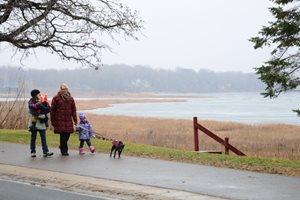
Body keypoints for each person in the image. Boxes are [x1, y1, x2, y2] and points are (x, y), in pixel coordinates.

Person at [50, 83, 77, 156]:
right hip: (59, 120)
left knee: (68, 134)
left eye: (65, 89)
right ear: (60, 90)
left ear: (67, 89)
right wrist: (53, 121)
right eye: (62, 89)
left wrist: (75, 121)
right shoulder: (56, 98)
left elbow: (74, 110)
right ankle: (64, 151)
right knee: (63, 136)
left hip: (68, 120)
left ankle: (62, 146)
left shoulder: (71, 98)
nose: (64, 90)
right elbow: (52, 111)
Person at [28, 89, 53, 158]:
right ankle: (33, 152)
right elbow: (31, 111)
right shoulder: (31, 103)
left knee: (43, 138)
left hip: (41, 124)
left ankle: (46, 152)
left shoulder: (42, 102)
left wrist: (43, 114)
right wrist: (40, 115)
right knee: (33, 138)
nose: (40, 95)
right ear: (35, 95)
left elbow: (46, 109)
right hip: (34, 124)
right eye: (38, 94)